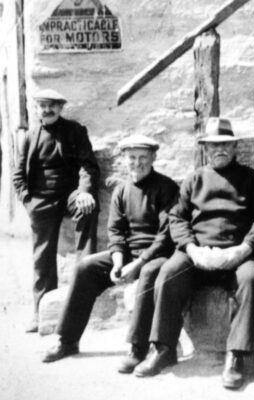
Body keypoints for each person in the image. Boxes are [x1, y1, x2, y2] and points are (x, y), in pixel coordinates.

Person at [133, 118, 254, 391]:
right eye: (213, 145)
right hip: (198, 253)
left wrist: (243, 249)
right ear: (205, 148)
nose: (220, 149)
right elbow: (177, 218)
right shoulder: (194, 180)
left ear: (235, 146)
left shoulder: (252, 179)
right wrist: (192, 249)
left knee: (250, 279)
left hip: (236, 253)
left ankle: (236, 356)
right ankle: (163, 348)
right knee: (169, 273)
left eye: (226, 144)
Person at [41, 135, 179, 372]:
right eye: (132, 158)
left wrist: (136, 265)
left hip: (158, 255)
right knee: (86, 267)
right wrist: (117, 262)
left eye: (143, 157)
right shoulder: (121, 191)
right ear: (125, 160)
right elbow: (115, 232)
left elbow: (165, 236)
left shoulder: (167, 188)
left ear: (153, 158)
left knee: (147, 272)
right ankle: (68, 340)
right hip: (127, 255)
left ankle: (138, 348)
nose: (137, 163)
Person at [13, 88, 99, 333]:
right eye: (42, 105)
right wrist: (29, 202)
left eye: (52, 105)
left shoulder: (75, 131)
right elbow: (18, 175)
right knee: (41, 257)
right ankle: (41, 312)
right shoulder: (30, 136)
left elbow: (87, 165)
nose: (47, 110)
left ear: (61, 108)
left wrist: (84, 191)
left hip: (71, 193)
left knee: (88, 207)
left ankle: (85, 285)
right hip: (42, 198)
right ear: (36, 109)